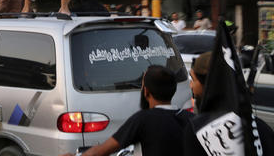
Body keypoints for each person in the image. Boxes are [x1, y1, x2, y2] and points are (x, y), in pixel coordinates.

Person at [61, 65, 192, 156]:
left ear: (146, 92)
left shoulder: (144, 119)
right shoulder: (190, 118)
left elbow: (102, 151)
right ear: (173, 90)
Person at [184, 51, 274, 155]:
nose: (191, 86)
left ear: (208, 86)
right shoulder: (261, 129)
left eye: (193, 80)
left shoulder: (197, 130)